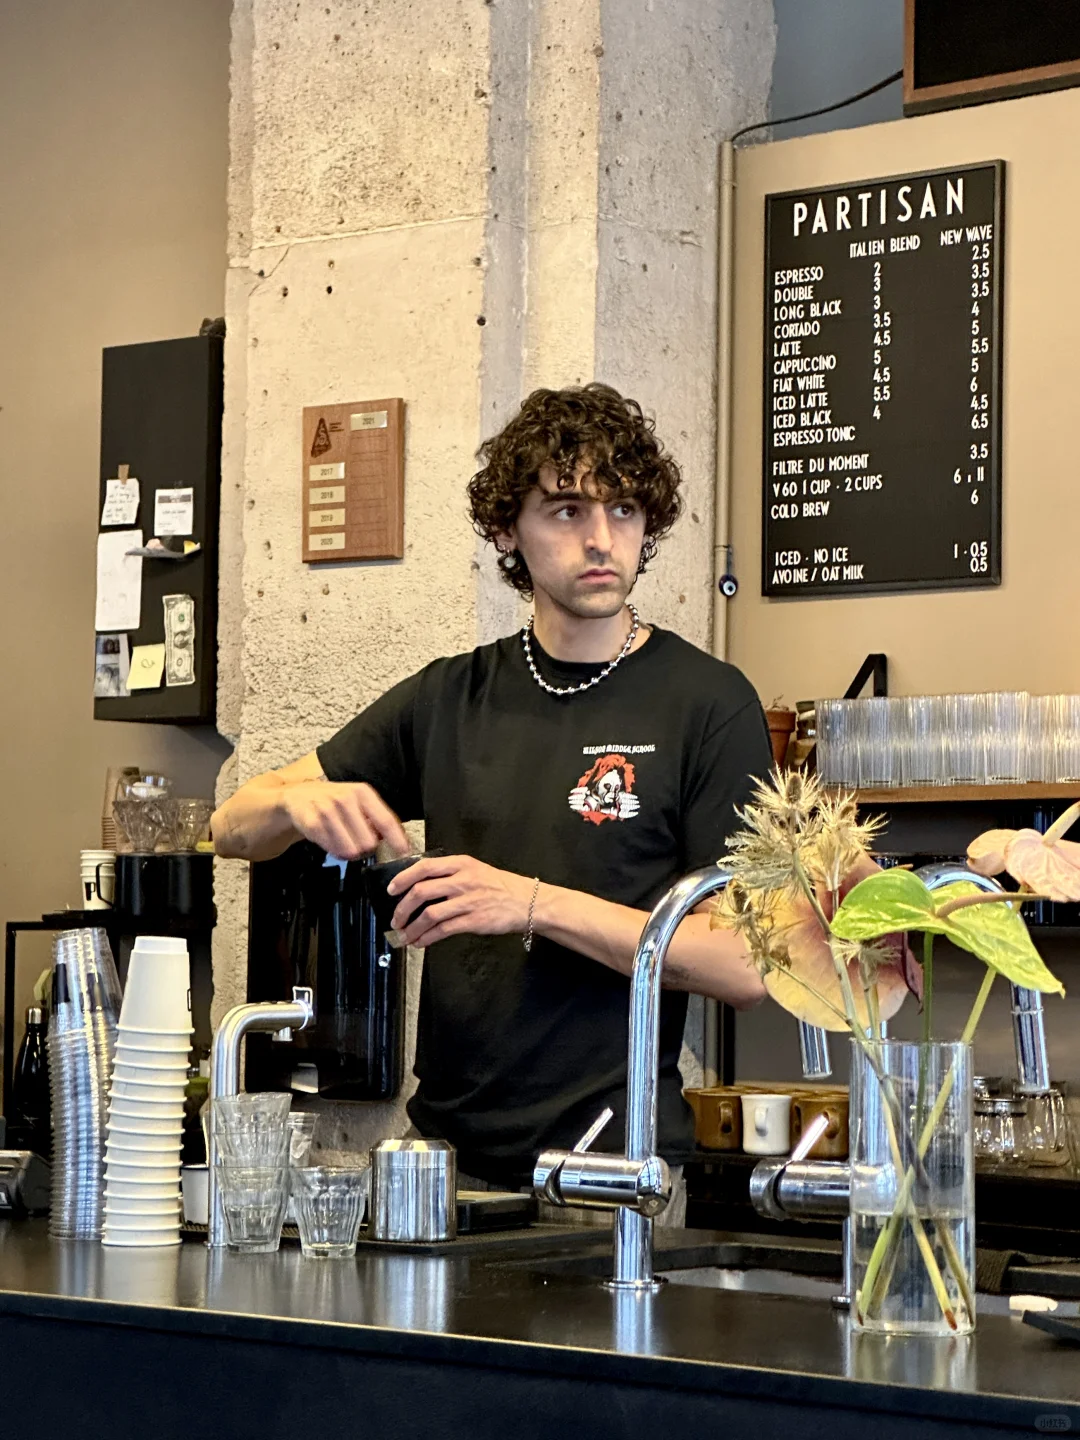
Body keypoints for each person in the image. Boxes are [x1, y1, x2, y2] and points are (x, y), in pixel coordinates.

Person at [212, 383, 773, 1221]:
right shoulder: (452, 697)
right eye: (567, 510)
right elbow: (231, 825)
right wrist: (297, 808)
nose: (601, 539)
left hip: (610, 1175)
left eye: (623, 509)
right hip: (443, 1167)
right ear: (509, 528)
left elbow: (745, 965)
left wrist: (531, 903)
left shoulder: (707, 704)